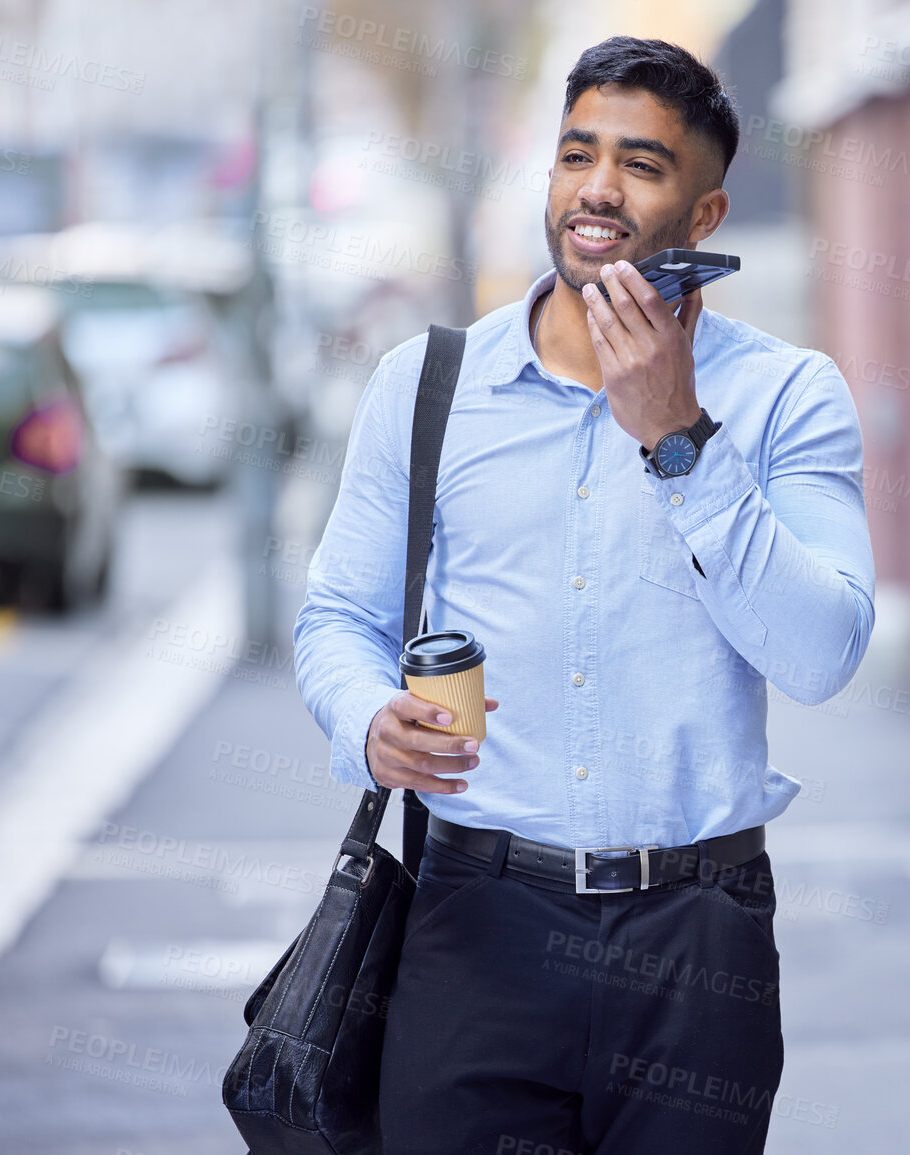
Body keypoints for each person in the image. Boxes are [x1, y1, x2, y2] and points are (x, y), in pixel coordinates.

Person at [293, 34, 875, 1154]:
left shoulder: (787, 397)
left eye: (642, 166)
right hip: (475, 926)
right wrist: (367, 719)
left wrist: (678, 438)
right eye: (577, 154)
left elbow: (824, 653)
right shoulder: (426, 387)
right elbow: (339, 620)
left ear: (703, 217)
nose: (598, 189)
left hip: (697, 944)